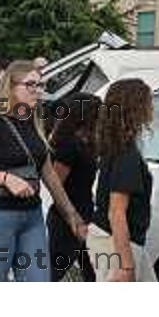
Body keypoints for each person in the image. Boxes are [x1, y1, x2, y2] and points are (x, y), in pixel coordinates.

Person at [0, 60, 88, 282]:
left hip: (32, 216)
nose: (38, 91)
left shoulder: (35, 120)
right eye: (31, 85)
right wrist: (5, 178)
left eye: (41, 85)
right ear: (12, 86)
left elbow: (48, 172)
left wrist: (71, 214)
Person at [89, 78, 156, 282]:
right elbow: (116, 212)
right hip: (114, 244)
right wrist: (126, 265)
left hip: (107, 240)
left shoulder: (114, 146)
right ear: (136, 108)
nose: (152, 107)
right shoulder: (127, 154)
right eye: (148, 102)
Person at [46, 92, 100, 282]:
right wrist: (73, 219)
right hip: (67, 221)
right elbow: (56, 185)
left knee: (93, 271)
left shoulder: (87, 142)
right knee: (52, 272)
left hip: (85, 213)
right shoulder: (69, 145)